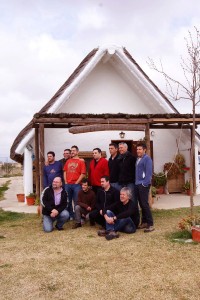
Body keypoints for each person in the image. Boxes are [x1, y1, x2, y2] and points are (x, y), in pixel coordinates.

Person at [135, 143, 154, 232]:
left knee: (145, 204)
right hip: (137, 184)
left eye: (140, 149)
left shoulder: (147, 159)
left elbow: (149, 173)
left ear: (144, 150)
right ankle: (144, 222)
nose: (138, 151)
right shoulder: (138, 159)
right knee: (142, 204)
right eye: (137, 149)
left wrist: (144, 184)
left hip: (143, 185)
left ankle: (150, 224)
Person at [63, 145, 86, 219]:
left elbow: (83, 173)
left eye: (74, 150)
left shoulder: (81, 161)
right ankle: (70, 215)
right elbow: (65, 171)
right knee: (67, 201)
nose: (72, 152)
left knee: (77, 201)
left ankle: (78, 217)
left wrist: (77, 182)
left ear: (77, 152)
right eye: (71, 150)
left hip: (77, 185)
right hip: (68, 184)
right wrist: (66, 181)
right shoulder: (68, 161)